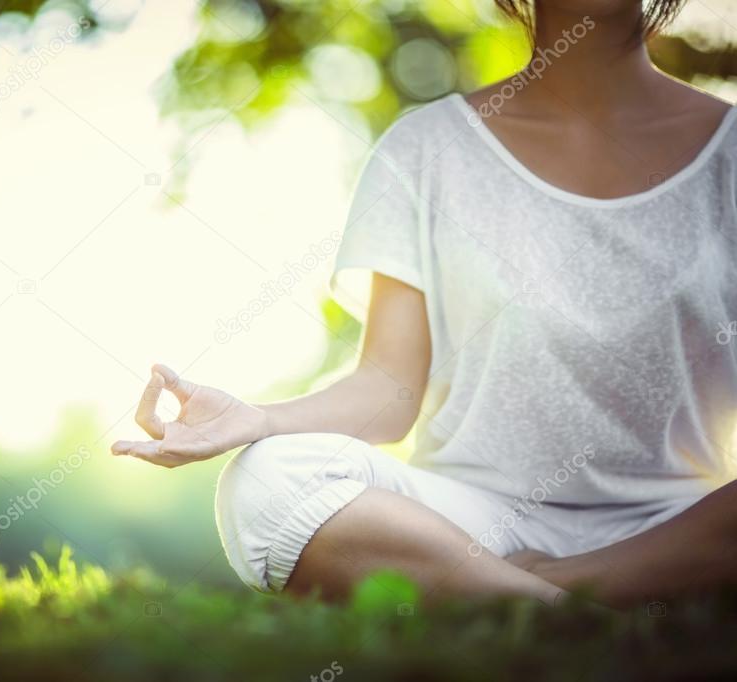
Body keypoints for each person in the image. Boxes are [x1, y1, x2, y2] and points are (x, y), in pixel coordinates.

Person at [112, 0, 737, 608]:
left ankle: (530, 593)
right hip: (475, 524)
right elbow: (388, 393)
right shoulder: (428, 148)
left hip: (681, 524)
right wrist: (260, 420)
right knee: (268, 478)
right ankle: (557, 599)